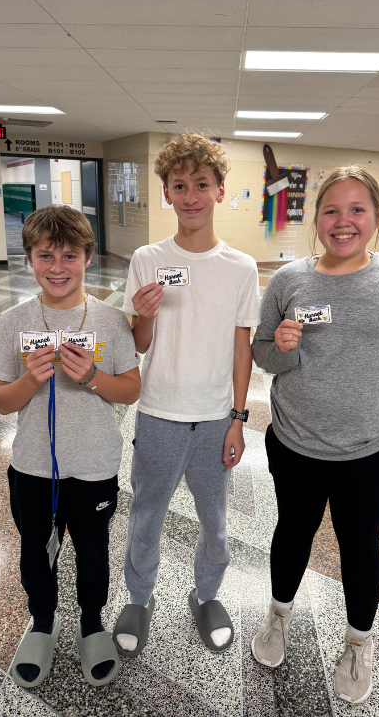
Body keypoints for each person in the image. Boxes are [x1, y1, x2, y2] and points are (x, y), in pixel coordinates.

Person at [249, 166, 379, 705]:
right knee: (292, 534)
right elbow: (264, 355)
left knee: (360, 548)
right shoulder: (289, 281)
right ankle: (278, 616)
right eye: (332, 209)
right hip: (296, 442)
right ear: (316, 217)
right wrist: (282, 346)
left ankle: (359, 643)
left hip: (370, 450)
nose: (343, 221)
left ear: (376, 217)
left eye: (357, 210)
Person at [114, 133, 259, 659]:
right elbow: (138, 344)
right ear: (167, 194)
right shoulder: (148, 259)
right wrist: (144, 314)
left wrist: (239, 418)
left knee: (215, 520)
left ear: (221, 191)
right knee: (147, 513)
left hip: (216, 417)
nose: (191, 194)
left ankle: (206, 594)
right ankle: (138, 598)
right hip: (158, 413)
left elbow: (242, 345)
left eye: (202, 183)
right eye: (180, 185)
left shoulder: (241, 268)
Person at [0, 206, 141, 688]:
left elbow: (131, 388)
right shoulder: (14, 323)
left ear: (88, 257)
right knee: (36, 552)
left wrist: (93, 377)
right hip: (33, 468)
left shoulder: (111, 320)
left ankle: (92, 622)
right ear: (29, 260)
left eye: (69, 255)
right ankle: (42, 623)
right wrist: (31, 380)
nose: (58, 267)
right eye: (45, 255)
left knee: (94, 552)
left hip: (95, 466)